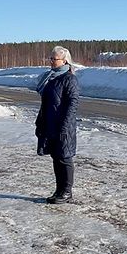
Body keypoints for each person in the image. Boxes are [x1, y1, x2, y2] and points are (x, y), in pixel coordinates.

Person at [35, 46, 80, 204]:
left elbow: (72, 104)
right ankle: (59, 190)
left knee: (65, 157)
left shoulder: (69, 79)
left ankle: (67, 191)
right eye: (51, 58)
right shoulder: (51, 78)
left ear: (64, 60)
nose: (51, 61)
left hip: (63, 125)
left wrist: (65, 125)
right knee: (56, 157)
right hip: (50, 123)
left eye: (54, 59)